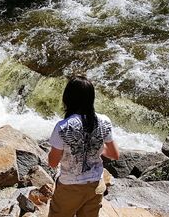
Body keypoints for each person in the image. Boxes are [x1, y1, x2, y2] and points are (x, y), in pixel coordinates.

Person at [48, 76, 120, 217]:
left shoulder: (63, 127)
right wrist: (95, 147)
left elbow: (52, 162)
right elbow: (114, 154)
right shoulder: (104, 121)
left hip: (69, 188)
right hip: (95, 186)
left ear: (67, 98)